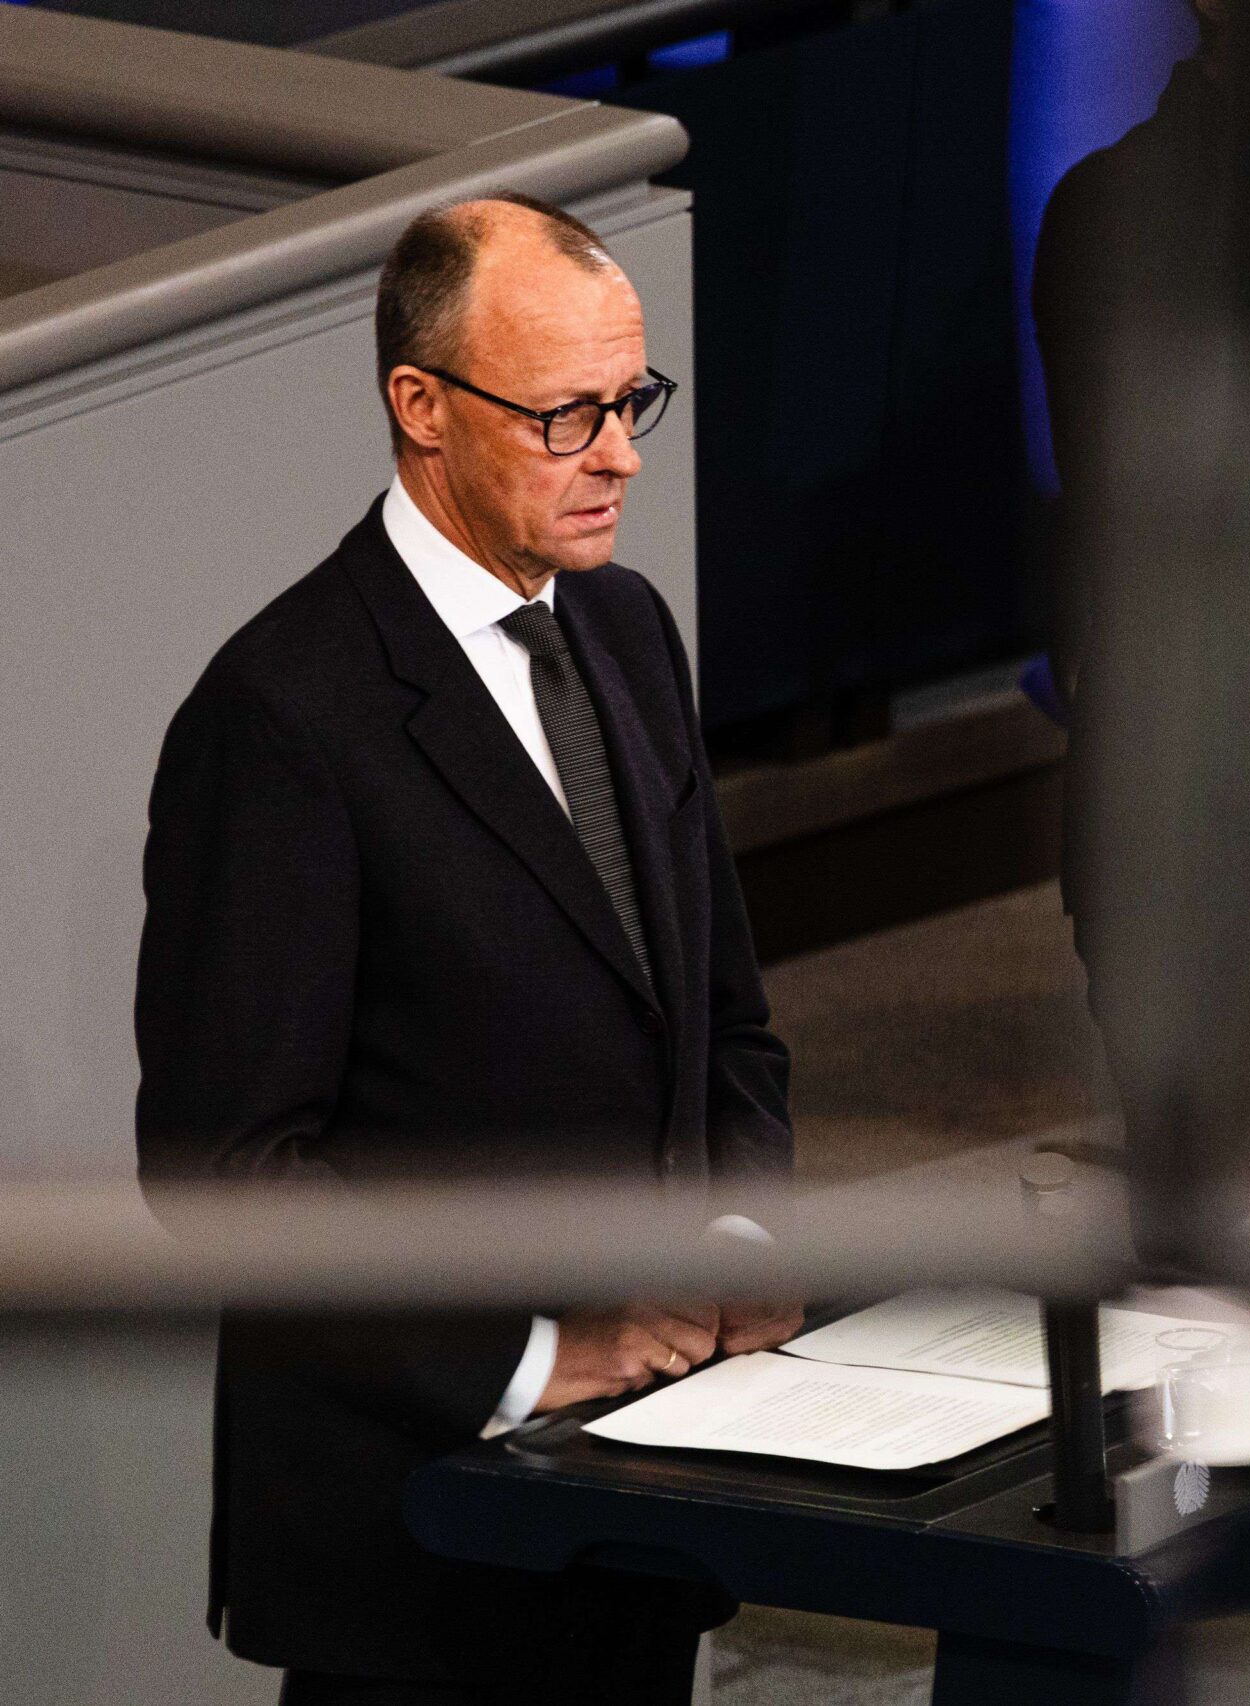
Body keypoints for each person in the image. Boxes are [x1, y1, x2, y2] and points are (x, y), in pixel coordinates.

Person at [135, 194, 798, 1705]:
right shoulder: (284, 715)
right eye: (568, 415)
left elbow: (723, 1022)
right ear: (420, 408)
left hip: (646, 1488)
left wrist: (748, 1244)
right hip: (420, 1549)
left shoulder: (629, 631)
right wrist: (527, 1349)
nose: (621, 451)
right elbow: (225, 1169)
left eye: (632, 402)